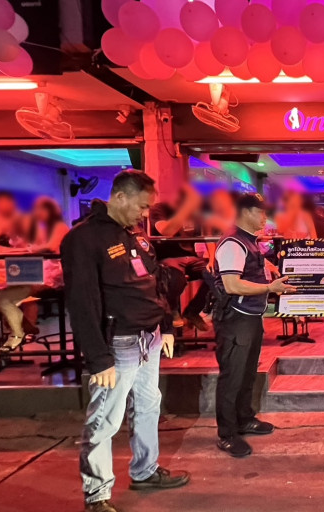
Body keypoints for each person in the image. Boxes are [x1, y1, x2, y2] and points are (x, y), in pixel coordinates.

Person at [61, 171, 189, 512]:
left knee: (148, 406)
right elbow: (82, 302)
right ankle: (97, 495)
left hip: (149, 338)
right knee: (105, 419)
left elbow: (156, 284)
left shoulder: (135, 235)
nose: (144, 214)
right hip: (117, 344)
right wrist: (98, 358)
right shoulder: (83, 239)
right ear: (120, 197)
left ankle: (145, 471)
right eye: (141, 206)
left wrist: (167, 326)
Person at [212, 192, 295, 458]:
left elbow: (251, 270)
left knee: (247, 373)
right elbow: (232, 285)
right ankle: (227, 434)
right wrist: (270, 287)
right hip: (235, 319)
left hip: (249, 316)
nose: (264, 217)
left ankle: (244, 419)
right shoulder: (233, 243)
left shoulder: (248, 241)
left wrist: (269, 272)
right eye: (260, 212)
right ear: (245, 212)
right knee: (232, 376)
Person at [0, 197, 69, 352]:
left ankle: (19, 332)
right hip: (37, 273)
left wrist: (29, 249)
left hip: (52, 277)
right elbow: (24, 245)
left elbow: (50, 247)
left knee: (7, 297)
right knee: (0, 296)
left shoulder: (59, 227)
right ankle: (21, 329)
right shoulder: (43, 229)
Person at [149, 183, 209, 331]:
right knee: (175, 278)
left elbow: (208, 235)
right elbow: (165, 231)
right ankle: (173, 310)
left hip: (191, 258)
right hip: (168, 257)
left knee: (216, 275)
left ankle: (193, 311)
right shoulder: (160, 209)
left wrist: (212, 260)